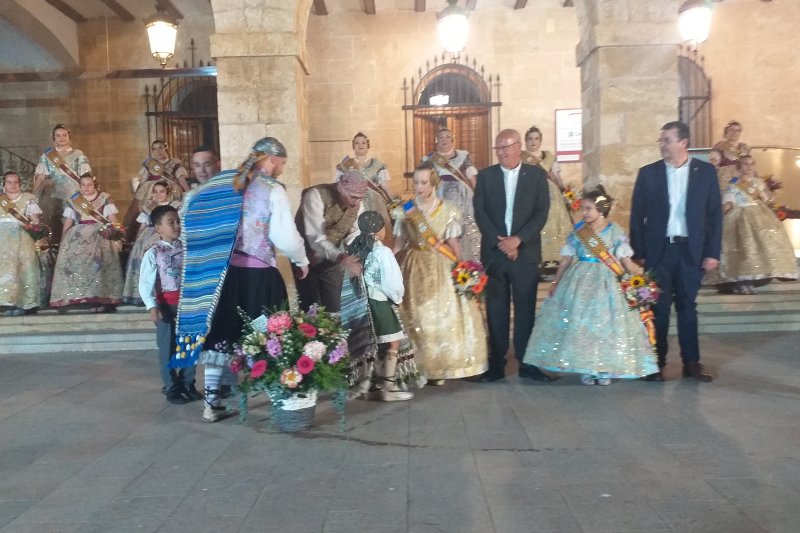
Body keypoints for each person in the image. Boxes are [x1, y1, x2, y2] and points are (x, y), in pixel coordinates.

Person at [172, 137, 309, 423]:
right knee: (271, 334)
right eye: (282, 163)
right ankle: (279, 397)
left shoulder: (224, 184)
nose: (281, 169)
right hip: (260, 274)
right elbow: (283, 235)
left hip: (225, 275)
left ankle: (212, 402)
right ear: (272, 159)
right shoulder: (271, 189)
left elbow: (188, 208)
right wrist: (301, 259)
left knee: (221, 335)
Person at [523, 186, 659, 385]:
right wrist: (556, 282)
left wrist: (639, 280)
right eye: (583, 208)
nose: (583, 212)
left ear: (601, 209)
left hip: (608, 283)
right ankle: (586, 367)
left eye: (588, 209)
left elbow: (626, 261)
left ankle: (604, 368)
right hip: (579, 281)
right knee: (581, 326)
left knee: (605, 325)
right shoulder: (578, 231)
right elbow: (566, 260)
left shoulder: (615, 232)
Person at [630, 121, 722, 382]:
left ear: (683, 142)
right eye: (661, 140)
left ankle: (691, 362)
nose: (662, 144)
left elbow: (715, 215)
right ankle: (656, 363)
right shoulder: (649, 173)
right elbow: (637, 216)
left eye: (667, 140)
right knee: (658, 309)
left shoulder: (705, 172)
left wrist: (712, 252)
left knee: (687, 308)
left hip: (690, 251)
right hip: (659, 251)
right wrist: (639, 252)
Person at [393, 162, 488, 384]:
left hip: (441, 266)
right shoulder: (405, 210)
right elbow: (398, 243)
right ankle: (418, 368)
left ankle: (440, 368)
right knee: (416, 316)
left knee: (440, 316)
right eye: (416, 182)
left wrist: (462, 267)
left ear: (434, 183)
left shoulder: (448, 209)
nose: (418, 186)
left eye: (423, 182)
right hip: (413, 264)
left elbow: (452, 242)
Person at [472, 129, 551, 382]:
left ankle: (527, 363)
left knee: (526, 309)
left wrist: (518, 239)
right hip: (495, 253)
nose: (503, 152)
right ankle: (496, 363)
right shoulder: (486, 177)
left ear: (519, 147)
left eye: (507, 146)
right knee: (496, 310)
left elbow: (541, 212)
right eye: (498, 148)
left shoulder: (537, 175)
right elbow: (480, 212)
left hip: (524, 254)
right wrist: (502, 243)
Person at [343, 211, 415, 401]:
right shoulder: (382, 252)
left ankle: (369, 382)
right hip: (379, 302)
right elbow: (392, 282)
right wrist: (397, 298)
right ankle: (388, 386)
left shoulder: (354, 248)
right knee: (393, 342)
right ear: (380, 229)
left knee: (372, 343)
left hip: (361, 305)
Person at [705, 155, 798, 294]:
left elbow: (768, 200)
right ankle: (741, 281)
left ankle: (756, 278)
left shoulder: (758, 182)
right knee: (743, 249)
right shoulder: (734, 182)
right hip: (738, 217)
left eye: (751, 164)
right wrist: (723, 210)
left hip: (760, 216)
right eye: (745, 164)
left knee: (762, 246)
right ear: (739, 167)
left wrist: (772, 192)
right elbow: (730, 199)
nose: (749, 167)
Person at [138, 204, 199, 404]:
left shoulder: (188, 249)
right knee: (168, 348)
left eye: (177, 222)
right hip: (167, 306)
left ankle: (188, 382)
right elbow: (146, 282)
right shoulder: (153, 253)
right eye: (170, 222)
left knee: (190, 346)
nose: (176, 226)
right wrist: (152, 306)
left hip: (188, 304)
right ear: (158, 228)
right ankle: (171, 387)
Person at [294, 169, 367, 312]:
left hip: (333, 259)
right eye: (352, 197)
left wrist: (358, 255)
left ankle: (335, 332)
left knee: (335, 307)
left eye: (360, 198)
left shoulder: (358, 206)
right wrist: (341, 256)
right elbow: (315, 239)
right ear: (341, 189)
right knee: (310, 309)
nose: (356, 203)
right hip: (305, 258)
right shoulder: (316, 196)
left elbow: (355, 234)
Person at [49, 174, 123, 311]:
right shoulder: (74, 200)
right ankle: (78, 297)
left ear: (95, 185)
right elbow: (68, 223)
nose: (86, 187)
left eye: (89, 184)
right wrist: (63, 242)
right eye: (83, 185)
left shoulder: (104, 199)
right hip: (77, 236)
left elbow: (113, 220)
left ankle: (100, 297)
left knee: (99, 265)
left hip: (100, 235)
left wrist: (117, 236)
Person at [421, 128, 481, 262]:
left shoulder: (463, 156)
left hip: (463, 200)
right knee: (443, 232)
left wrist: (479, 198)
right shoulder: (429, 159)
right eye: (441, 137)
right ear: (436, 140)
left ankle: (465, 267)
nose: (444, 140)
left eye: (447, 137)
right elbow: (422, 180)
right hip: (439, 199)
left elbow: (472, 178)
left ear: (452, 139)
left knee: (463, 232)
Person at [521, 126, 573, 269]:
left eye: (536, 139)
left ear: (540, 141)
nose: (533, 142)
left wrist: (566, 193)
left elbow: (557, 178)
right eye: (530, 139)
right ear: (526, 141)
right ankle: (538, 259)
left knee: (554, 224)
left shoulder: (549, 157)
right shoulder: (522, 158)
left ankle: (556, 259)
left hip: (552, 194)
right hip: (531, 194)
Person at [122, 180, 181, 305]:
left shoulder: (175, 206)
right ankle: (144, 295)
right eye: (155, 192)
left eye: (161, 191)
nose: (158, 194)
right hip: (147, 237)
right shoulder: (148, 207)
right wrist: (137, 240)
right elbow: (143, 226)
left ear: (167, 193)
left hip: (166, 238)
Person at [32, 124, 92, 245]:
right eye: (58, 135)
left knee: (73, 219)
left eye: (64, 135)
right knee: (54, 221)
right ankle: (53, 247)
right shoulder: (47, 156)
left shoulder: (78, 154)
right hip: (53, 194)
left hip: (73, 193)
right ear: (53, 138)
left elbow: (85, 176)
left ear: (69, 136)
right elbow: (41, 177)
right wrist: (33, 195)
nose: (62, 138)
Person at [123, 139, 188, 241]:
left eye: (160, 148)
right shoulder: (150, 164)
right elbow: (140, 181)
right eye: (155, 149)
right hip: (151, 193)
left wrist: (188, 193)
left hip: (170, 192)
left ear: (166, 148)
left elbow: (181, 180)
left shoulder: (174, 162)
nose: (158, 151)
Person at [335, 132, 393, 242]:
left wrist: (395, 202)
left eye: (363, 143)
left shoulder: (377, 164)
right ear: (353, 146)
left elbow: (386, 187)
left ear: (368, 145)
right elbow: (338, 187)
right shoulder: (346, 165)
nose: (360, 145)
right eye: (357, 143)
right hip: (354, 205)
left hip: (375, 205)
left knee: (378, 235)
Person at [0, 171, 43, 316]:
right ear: (4, 184)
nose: (12, 185)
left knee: (24, 267)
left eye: (15, 182)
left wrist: (36, 228)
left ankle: (24, 303)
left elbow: (34, 220)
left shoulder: (28, 198)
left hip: (21, 237)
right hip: (2, 239)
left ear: (20, 183)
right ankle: (5, 303)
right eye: (9, 182)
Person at [713, 120, 750, 193]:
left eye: (737, 130)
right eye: (731, 130)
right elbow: (712, 166)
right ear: (726, 132)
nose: (734, 133)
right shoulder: (719, 147)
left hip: (743, 182)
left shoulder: (745, 148)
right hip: (725, 184)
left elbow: (750, 165)